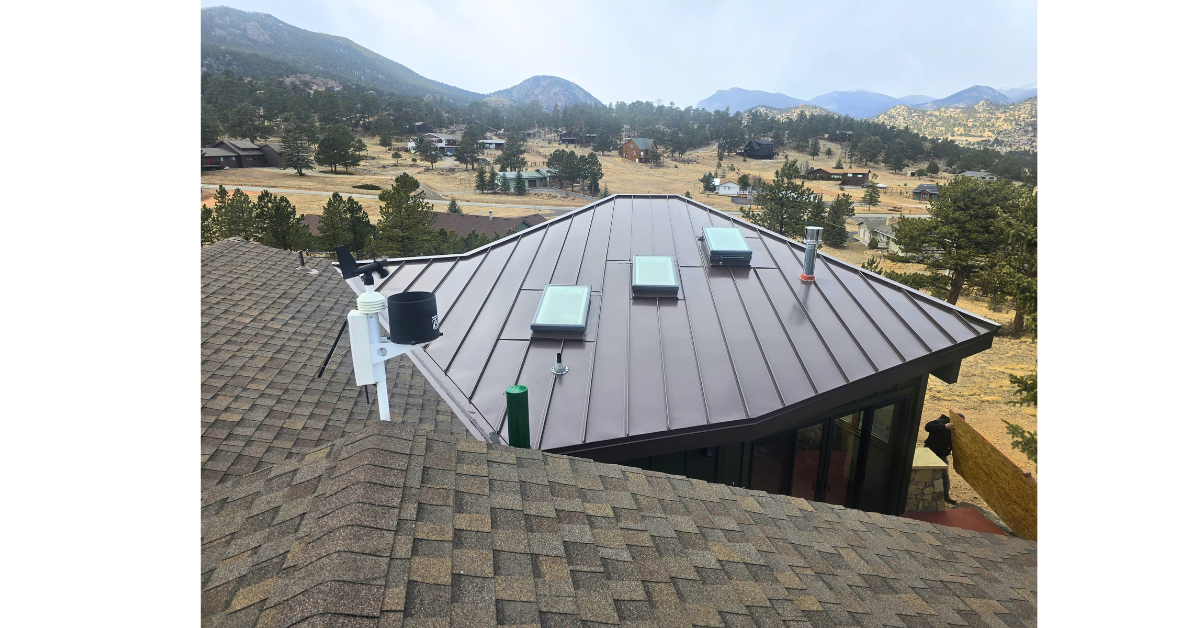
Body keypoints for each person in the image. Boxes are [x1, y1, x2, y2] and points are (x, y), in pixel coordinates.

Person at [924, 415, 957, 505]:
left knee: (944, 476)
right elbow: (927, 427)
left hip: (941, 455)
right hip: (929, 452)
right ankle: (925, 495)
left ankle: (946, 496)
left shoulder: (957, 430)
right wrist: (944, 426)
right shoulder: (941, 422)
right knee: (926, 474)